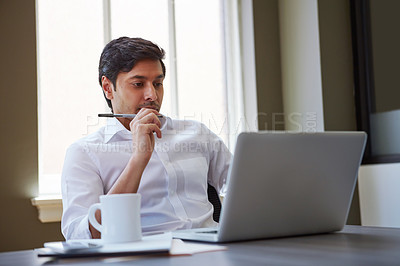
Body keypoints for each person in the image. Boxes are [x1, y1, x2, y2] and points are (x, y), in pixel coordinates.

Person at [61, 37, 231, 239]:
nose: (152, 95)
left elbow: (247, 186)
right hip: (145, 256)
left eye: (158, 83)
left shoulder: (198, 133)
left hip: (213, 249)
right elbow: (82, 236)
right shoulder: (84, 153)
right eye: (138, 84)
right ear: (108, 88)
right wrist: (138, 159)